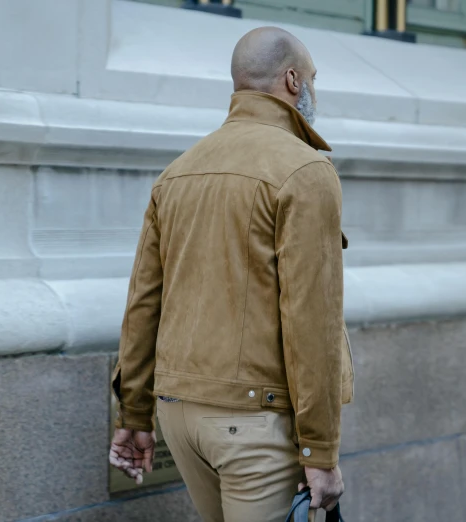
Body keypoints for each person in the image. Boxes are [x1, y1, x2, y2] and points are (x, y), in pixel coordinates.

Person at [109, 26, 354, 522]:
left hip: (179, 417)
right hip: (253, 422)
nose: (313, 90)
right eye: (312, 78)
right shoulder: (305, 171)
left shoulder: (178, 171)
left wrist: (135, 415)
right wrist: (319, 453)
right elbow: (312, 323)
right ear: (292, 80)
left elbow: (143, 304)